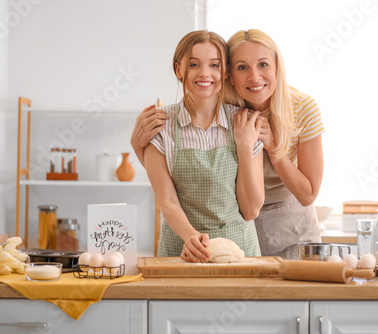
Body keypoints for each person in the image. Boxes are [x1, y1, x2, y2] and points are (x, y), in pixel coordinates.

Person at [132, 29, 324, 258]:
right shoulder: (212, 108)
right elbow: (169, 191)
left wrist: (267, 145)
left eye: (263, 64)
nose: (254, 77)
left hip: (287, 224)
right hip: (215, 236)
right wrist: (138, 146)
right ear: (230, 75)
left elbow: (306, 195)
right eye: (242, 67)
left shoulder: (294, 110)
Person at [135, 30, 265, 263]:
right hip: (181, 253)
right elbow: (167, 200)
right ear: (179, 70)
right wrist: (193, 239)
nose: (205, 73)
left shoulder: (245, 122)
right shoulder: (161, 125)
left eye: (214, 65)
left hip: (240, 255)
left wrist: (245, 147)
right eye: (194, 64)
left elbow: (252, 210)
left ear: (224, 71)